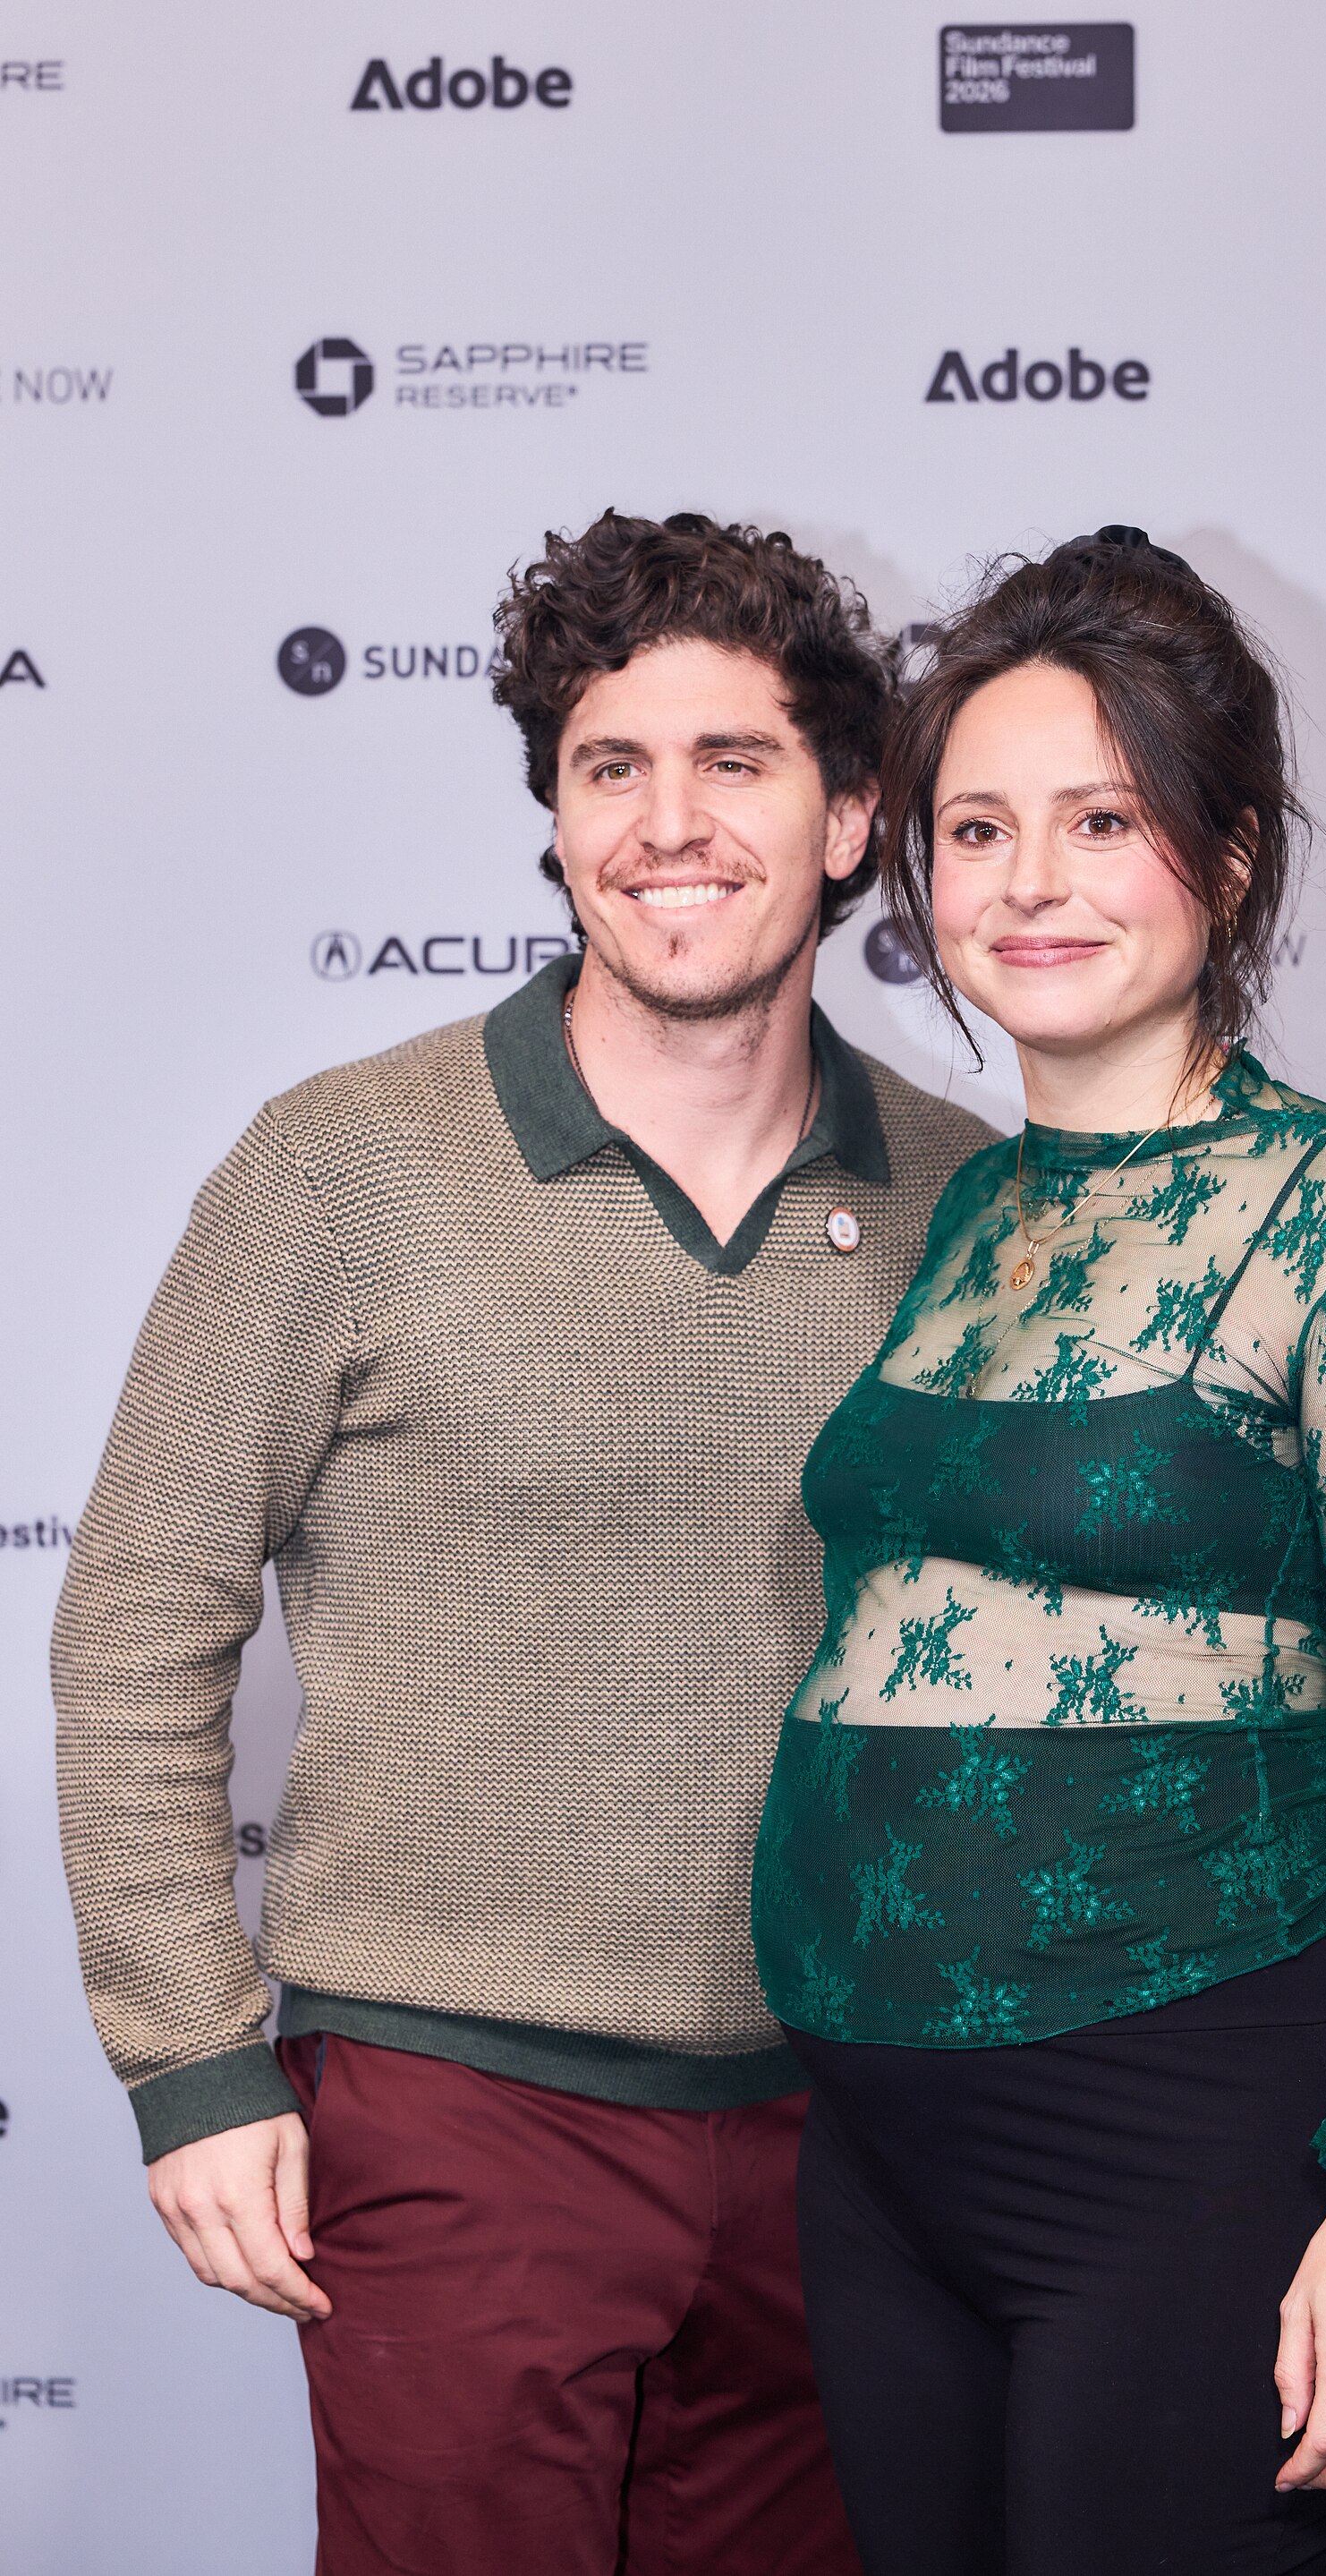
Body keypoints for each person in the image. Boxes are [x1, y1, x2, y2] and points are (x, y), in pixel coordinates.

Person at [52, 510, 991, 2576]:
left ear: (849, 820)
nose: (668, 824)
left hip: (856, 2134)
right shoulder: (341, 1168)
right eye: (608, 767)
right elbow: (134, 1626)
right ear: (557, 820)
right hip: (459, 2112)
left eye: (734, 763)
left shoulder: (970, 1203)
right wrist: (191, 2058)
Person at [751, 526, 1326, 2576]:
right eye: (977, 827)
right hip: (884, 2159)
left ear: (1232, 854)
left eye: (1103, 819)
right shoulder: (971, 1210)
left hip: (1179, 2140)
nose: (1028, 881)